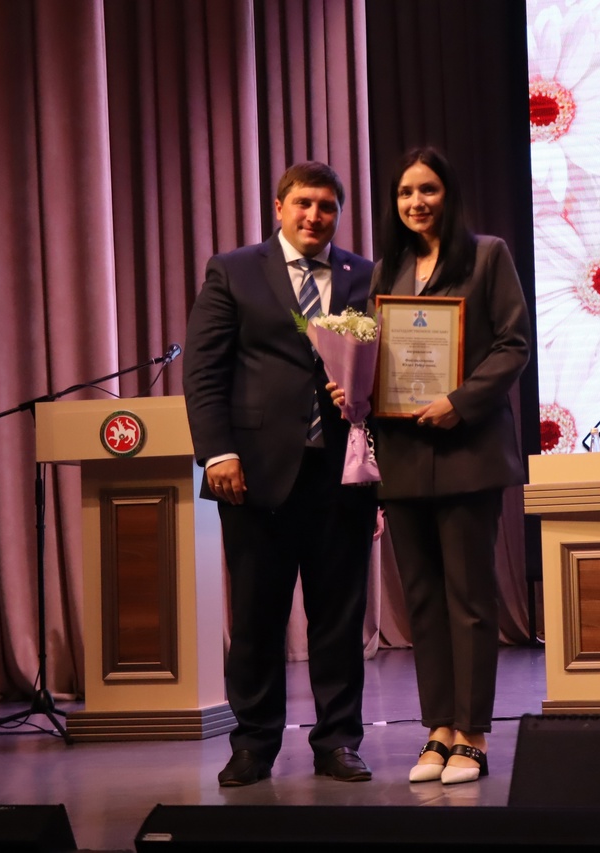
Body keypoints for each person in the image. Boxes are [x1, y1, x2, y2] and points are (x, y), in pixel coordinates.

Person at [333, 146, 530, 785]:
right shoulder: (385, 270)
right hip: (405, 453)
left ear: (449, 194)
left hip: (467, 449)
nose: (416, 202)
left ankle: (472, 733)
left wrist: (460, 401)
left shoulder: (488, 256)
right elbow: (371, 355)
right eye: (405, 192)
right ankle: (437, 729)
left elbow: (513, 345)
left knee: (468, 597)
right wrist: (349, 386)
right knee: (421, 600)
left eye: (428, 189)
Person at [183, 161, 379, 787]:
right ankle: (254, 745)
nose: (314, 216)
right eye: (303, 203)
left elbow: (385, 373)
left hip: (341, 476)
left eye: (327, 206)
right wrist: (218, 453)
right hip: (255, 475)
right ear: (279, 207)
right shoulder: (234, 271)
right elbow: (204, 371)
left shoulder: (365, 277)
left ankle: (338, 743)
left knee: (340, 621)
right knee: (257, 620)